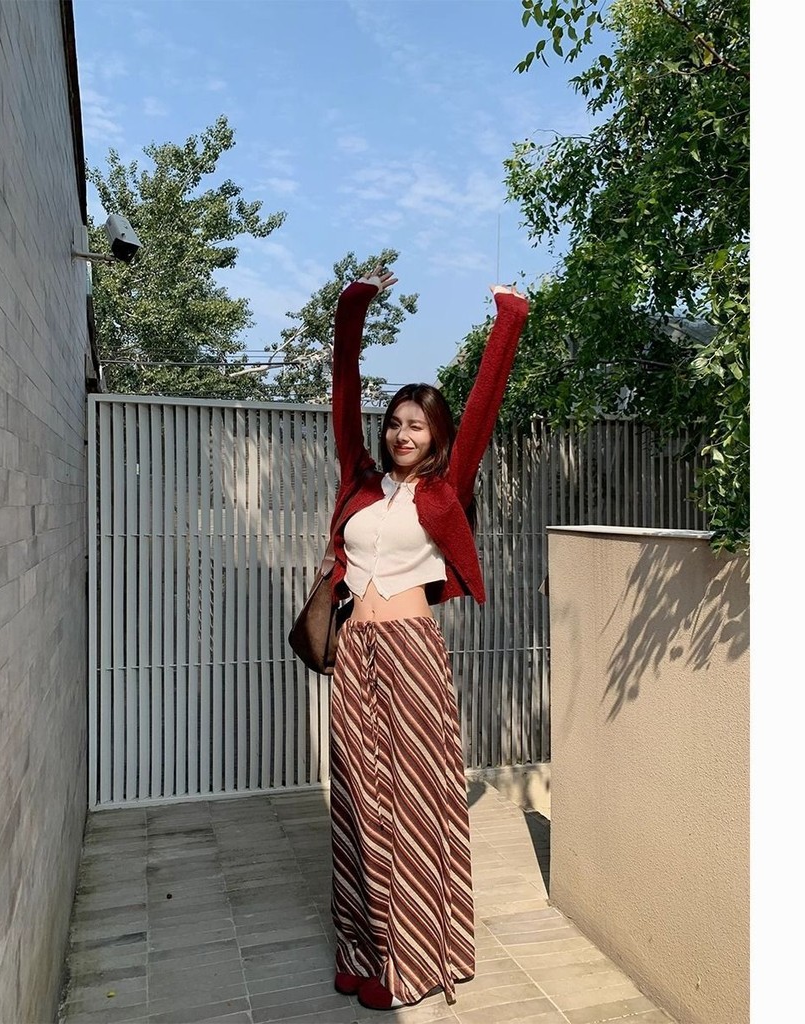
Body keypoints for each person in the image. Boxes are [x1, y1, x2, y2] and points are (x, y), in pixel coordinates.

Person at [325, 264, 529, 1010]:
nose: (401, 434)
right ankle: (361, 948)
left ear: (435, 434)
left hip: (412, 652)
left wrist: (508, 315)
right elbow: (343, 387)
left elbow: (485, 402)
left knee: (412, 799)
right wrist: (355, 305)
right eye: (395, 422)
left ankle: (410, 959)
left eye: (416, 425)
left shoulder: (447, 487)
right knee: (356, 799)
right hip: (355, 653)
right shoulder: (358, 478)